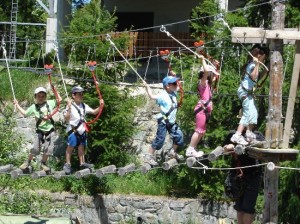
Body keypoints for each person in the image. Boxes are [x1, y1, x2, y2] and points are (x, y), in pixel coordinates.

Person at [14, 86, 62, 172]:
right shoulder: (33, 107)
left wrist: (54, 90)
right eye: (39, 96)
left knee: (49, 149)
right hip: (40, 131)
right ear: (35, 97)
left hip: (50, 130)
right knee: (36, 148)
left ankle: (43, 163)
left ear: (46, 97)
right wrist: (17, 105)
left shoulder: (50, 103)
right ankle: (27, 162)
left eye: (43, 96)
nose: (41, 98)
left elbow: (60, 100)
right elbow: (25, 113)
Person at [231, 45, 269, 145]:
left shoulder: (253, 65)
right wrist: (257, 64)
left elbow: (257, 78)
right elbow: (253, 77)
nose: (264, 59)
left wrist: (265, 69)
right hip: (245, 92)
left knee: (253, 113)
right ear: (259, 56)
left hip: (247, 93)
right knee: (247, 113)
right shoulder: (253, 65)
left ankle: (249, 133)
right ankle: (237, 135)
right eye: (264, 57)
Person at [142, 75, 184, 166]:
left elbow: (179, 86)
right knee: (159, 141)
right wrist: (147, 86)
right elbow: (152, 96)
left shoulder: (174, 93)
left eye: (175, 83)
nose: (176, 84)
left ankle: (172, 152)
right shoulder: (162, 95)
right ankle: (148, 156)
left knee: (179, 136)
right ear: (168, 86)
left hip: (172, 122)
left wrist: (175, 76)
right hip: (163, 121)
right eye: (174, 83)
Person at [223, 131, 263, 224]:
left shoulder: (258, 135)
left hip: (253, 176)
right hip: (237, 177)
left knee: (248, 208)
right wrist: (227, 147)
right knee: (239, 207)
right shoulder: (233, 135)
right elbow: (224, 150)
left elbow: (264, 150)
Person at [63, 86, 103, 174]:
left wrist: (100, 106)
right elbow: (66, 119)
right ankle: (67, 164)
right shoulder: (70, 106)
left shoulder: (84, 105)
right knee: (71, 146)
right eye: (79, 94)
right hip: (73, 129)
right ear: (74, 95)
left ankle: (82, 163)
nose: (81, 96)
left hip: (82, 129)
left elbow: (93, 112)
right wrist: (69, 108)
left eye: (82, 94)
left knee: (81, 146)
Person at [185, 55, 219, 158]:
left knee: (201, 131)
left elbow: (211, 73)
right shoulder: (203, 83)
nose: (214, 77)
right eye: (212, 75)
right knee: (199, 130)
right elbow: (206, 71)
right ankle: (190, 149)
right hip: (201, 111)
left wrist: (214, 65)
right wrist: (203, 60)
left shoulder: (208, 85)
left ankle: (193, 148)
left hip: (205, 112)